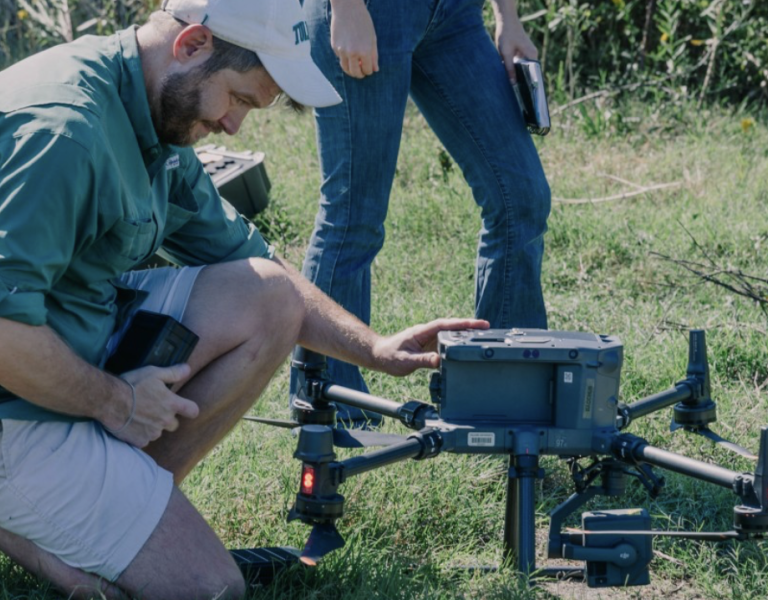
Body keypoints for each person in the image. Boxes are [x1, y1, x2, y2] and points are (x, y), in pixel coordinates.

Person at [0, 0, 488, 597]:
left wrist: (375, 350)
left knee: (270, 297)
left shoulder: (150, 110)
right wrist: (116, 402)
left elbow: (258, 266)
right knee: (210, 589)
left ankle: (111, 510)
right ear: (192, 45)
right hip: (11, 394)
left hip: (66, 336)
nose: (234, 127)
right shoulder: (64, 132)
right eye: (237, 99)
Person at [294, 0, 552, 424]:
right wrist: (346, 8)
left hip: (455, 13)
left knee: (521, 197)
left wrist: (508, 17)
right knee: (354, 216)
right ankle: (329, 413)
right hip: (371, 9)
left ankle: (503, 396)